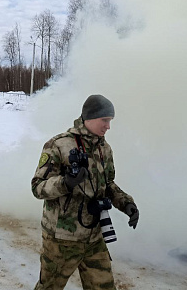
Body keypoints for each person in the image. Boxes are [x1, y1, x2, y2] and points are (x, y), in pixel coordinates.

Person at [31, 94, 139, 290]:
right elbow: (38, 187)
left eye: (110, 121)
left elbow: (108, 184)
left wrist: (126, 204)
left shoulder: (104, 148)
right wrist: (66, 182)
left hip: (94, 236)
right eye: (105, 120)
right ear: (89, 118)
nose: (108, 126)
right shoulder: (59, 145)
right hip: (62, 240)